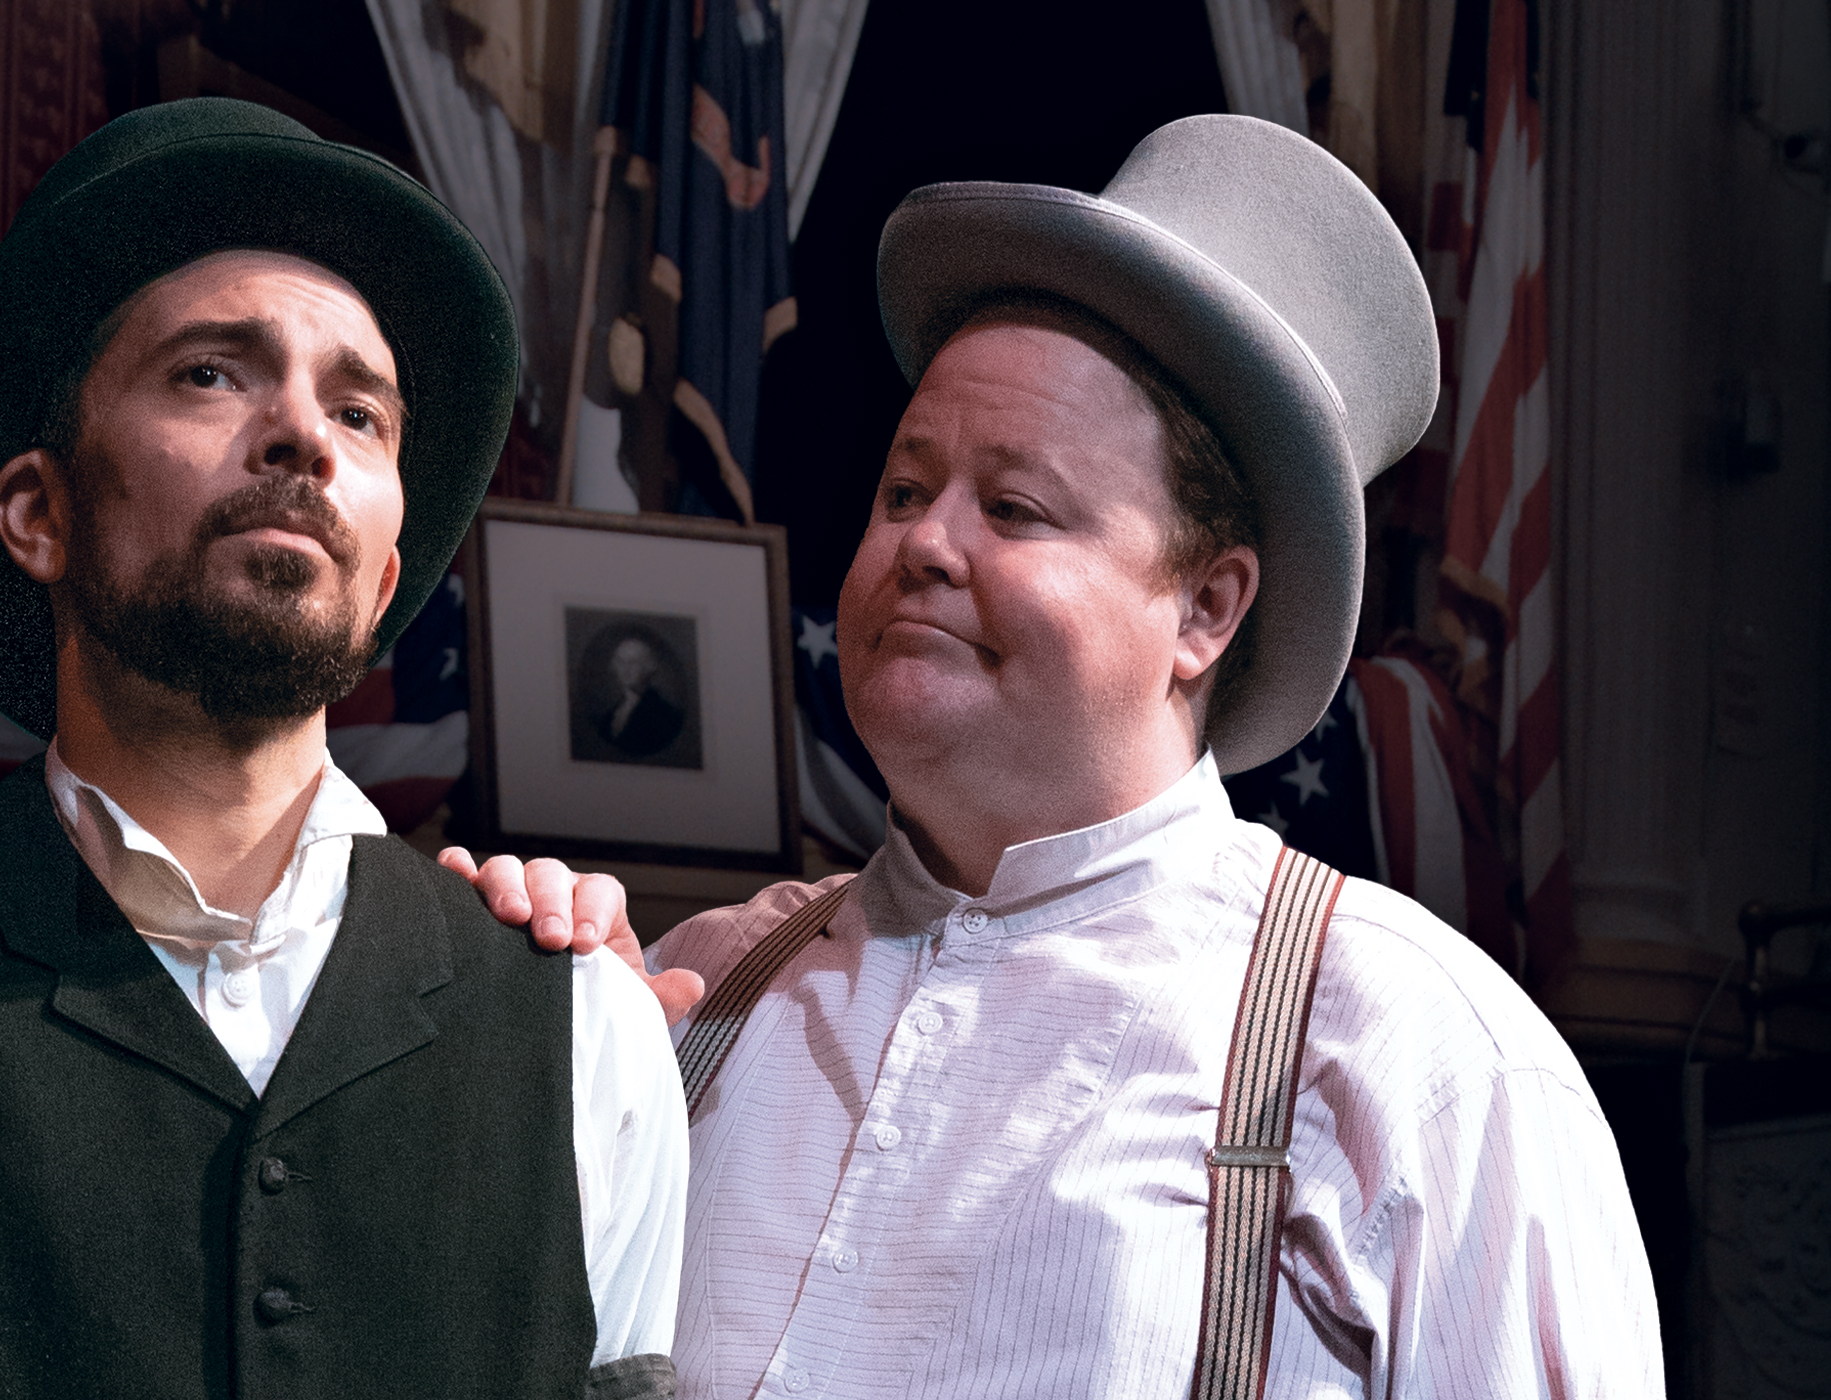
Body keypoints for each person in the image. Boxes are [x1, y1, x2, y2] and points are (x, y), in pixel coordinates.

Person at [466, 115, 1663, 1397]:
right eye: (905, 490)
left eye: (1017, 508)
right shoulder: (706, 990)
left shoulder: (1410, 1054)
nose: (926, 543)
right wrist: (508, 1070)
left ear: (1206, 610)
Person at [0, 99, 686, 1400]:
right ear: (39, 513)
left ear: (384, 581)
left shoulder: (579, 1033)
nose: (301, 436)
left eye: (363, 414)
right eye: (211, 372)